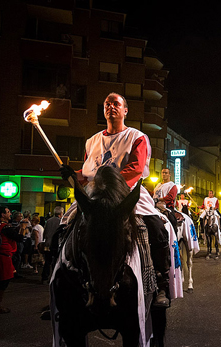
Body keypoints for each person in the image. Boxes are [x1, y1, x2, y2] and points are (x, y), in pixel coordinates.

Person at [60, 92, 171, 308]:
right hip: (95, 196)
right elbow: (87, 171)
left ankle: (160, 281)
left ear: (125, 110)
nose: (111, 106)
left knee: (156, 228)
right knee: (64, 227)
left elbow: (136, 169)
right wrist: (72, 175)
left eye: (116, 104)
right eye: (107, 103)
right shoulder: (92, 141)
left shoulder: (136, 137)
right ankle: (64, 281)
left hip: (126, 195)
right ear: (103, 109)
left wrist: (112, 189)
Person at [0, 206, 25, 314]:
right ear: (3, 215)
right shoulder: (5, 227)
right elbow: (20, 238)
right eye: (8, 212)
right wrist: (23, 228)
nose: (10, 214)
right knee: (2, 282)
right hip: (3, 256)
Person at [153, 167, 179, 236]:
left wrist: (159, 199)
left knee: (172, 220)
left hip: (166, 207)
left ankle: (174, 236)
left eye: (166, 173)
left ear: (169, 174)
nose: (164, 174)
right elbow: (154, 194)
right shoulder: (158, 185)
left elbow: (170, 198)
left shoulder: (172, 186)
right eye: (163, 173)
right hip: (155, 206)